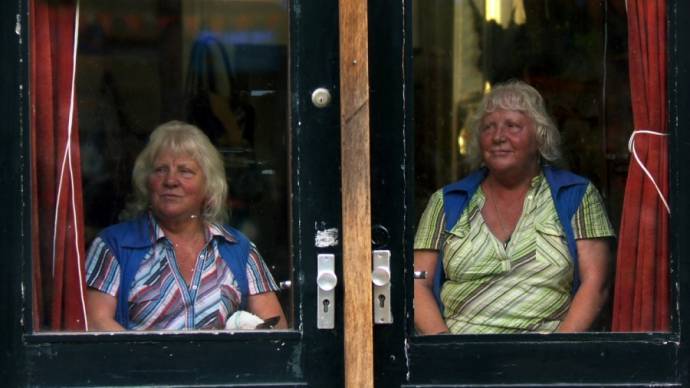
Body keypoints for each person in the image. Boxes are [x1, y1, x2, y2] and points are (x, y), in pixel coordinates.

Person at [413, 80, 615, 334]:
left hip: (547, 358)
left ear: (540, 137)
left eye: (512, 126)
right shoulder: (446, 201)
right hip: (461, 359)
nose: (498, 137)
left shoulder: (576, 195)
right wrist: (446, 348)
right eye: (489, 127)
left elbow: (596, 283)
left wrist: (558, 354)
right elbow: (416, 283)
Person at [85, 121, 287, 331]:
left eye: (185, 171)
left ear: (209, 186)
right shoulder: (114, 246)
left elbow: (276, 328)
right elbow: (96, 323)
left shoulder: (237, 248)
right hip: (141, 364)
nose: (171, 180)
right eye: (161, 169)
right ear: (147, 182)